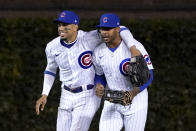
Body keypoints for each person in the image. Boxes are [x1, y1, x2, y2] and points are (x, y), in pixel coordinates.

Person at [35, 10, 142, 131]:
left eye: (65, 25)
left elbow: (120, 28)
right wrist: (45, 94)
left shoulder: (89, 38)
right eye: (59, 25)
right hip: (66, 94)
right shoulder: (51, 47)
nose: (61, 28)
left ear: (75, 26)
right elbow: (50, 70)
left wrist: (132, 46)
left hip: (88, 94)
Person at [93, 13, 154, 131]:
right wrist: (99, 84)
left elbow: (150, 75)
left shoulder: (136, 47)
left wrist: (133, 93)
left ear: (117, 29)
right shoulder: (98, 52)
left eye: (108, 29)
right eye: (101, 29)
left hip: (136, 101)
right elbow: (99, 75)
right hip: (112, 99)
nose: (104, 32)